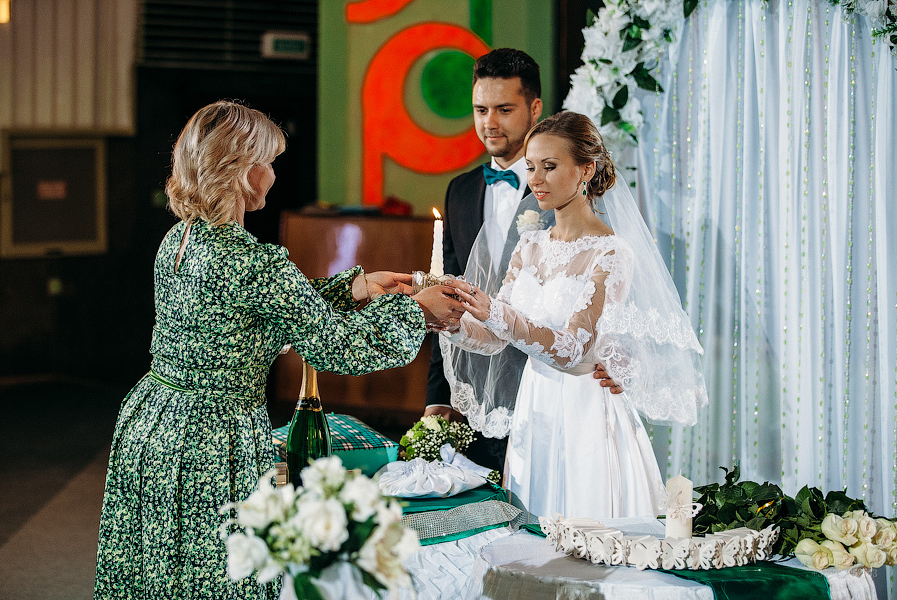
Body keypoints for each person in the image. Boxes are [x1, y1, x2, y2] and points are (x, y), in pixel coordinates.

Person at [93, 100, 462, 599]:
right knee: (220, 578)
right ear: (242, 170)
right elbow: (337, 346)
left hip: (155, 420)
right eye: (268, 162)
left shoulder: (180, 238)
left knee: (160, 572)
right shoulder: (254, 261)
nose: (273, 174)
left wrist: (355, 288)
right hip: (212, 438)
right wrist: (415, 311)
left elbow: (259, 311)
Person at [441, 111, 708, 519]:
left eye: (549, 166)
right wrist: (454, 323)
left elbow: (573, 349)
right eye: (531, 167)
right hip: (535, 407)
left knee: (586, 531)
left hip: (585, 410)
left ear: (586, 169)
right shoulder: (529, 246)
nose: (536, 179)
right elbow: (496, 337)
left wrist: (494, 310)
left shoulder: (611, 253)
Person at [424, 49, 622, 472]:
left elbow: (621, 317)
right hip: (490, 396)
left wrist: (623, 359)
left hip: (575, 403)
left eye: (504, 109)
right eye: (480, 110)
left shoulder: (594, 225)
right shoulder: (463, 193)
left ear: (534, 109)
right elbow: (466, 302)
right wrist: (445, 327)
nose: (489, 123)